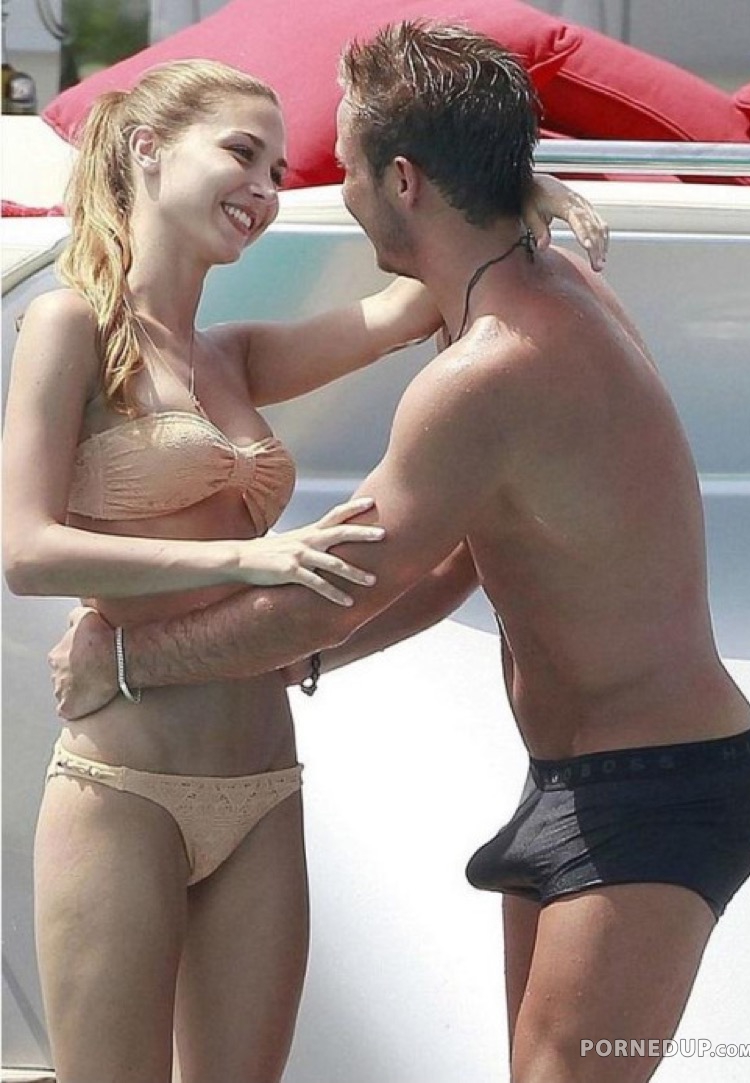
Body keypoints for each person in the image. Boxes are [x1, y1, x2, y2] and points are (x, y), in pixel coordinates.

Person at [48, 22, 750, 1083]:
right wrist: (300, 664)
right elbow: (452, 568)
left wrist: (126, 659)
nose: (330, 190)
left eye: (342, 166)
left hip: (656, 788)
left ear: (402, 180)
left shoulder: (485, 371)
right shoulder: (540, 289)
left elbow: (331, 591)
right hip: (577, 776)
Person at [1, 54, 609, 1083]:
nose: (265, 188)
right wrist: (253, 555)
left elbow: (412, 307)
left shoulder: (235, 356)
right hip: (122, 785)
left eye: (279, 172)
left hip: (261, 786)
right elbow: (25, 552)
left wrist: (512, 191)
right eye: (242, 154)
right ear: (148, 150)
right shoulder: (71, 325)